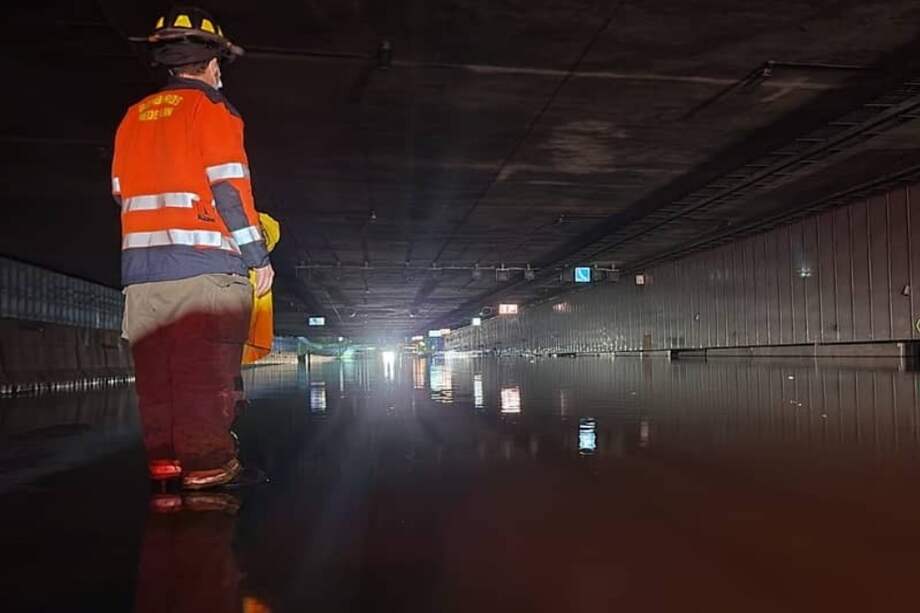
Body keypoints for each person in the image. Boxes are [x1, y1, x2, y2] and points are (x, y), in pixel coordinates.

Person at [112, 6, 274, 489]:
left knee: (157, 378)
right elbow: (229, 190)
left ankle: (165, 464)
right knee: (204, 375)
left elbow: (120, 190)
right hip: (203, 270)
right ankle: (209, 467)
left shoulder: (133, 116)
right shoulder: (213, 111)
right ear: (212, 63)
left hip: (141, 275)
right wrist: (257, 258)